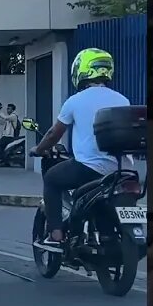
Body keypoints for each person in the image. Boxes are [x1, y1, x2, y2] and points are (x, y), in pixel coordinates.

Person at [30, 47, 129, 251]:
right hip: (122, 171)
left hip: (89, 169)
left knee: (51, 178)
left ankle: (56, 235)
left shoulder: (75, 101)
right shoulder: (122, 99)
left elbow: (53, 135)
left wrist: (38, 149)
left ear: (81, 70)